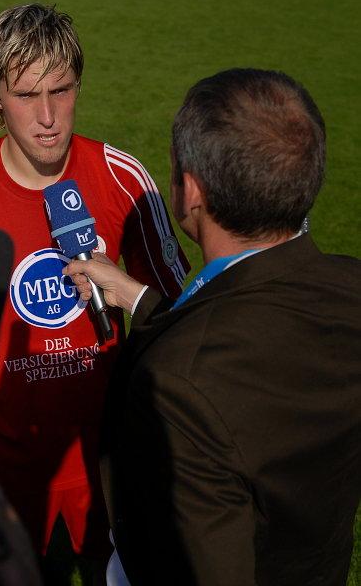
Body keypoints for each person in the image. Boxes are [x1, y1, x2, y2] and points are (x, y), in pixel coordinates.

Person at [0, 4, 188, 582]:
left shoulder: (124, 179)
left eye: (60, 91)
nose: (48, 118)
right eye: (25, 95)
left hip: (114, 472)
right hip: (0, 484)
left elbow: (185, 326)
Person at [64, 68, 361, 585]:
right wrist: (137, 297)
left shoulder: (179, 383)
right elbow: (254, 341)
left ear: (191, 192)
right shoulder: (348, 287)